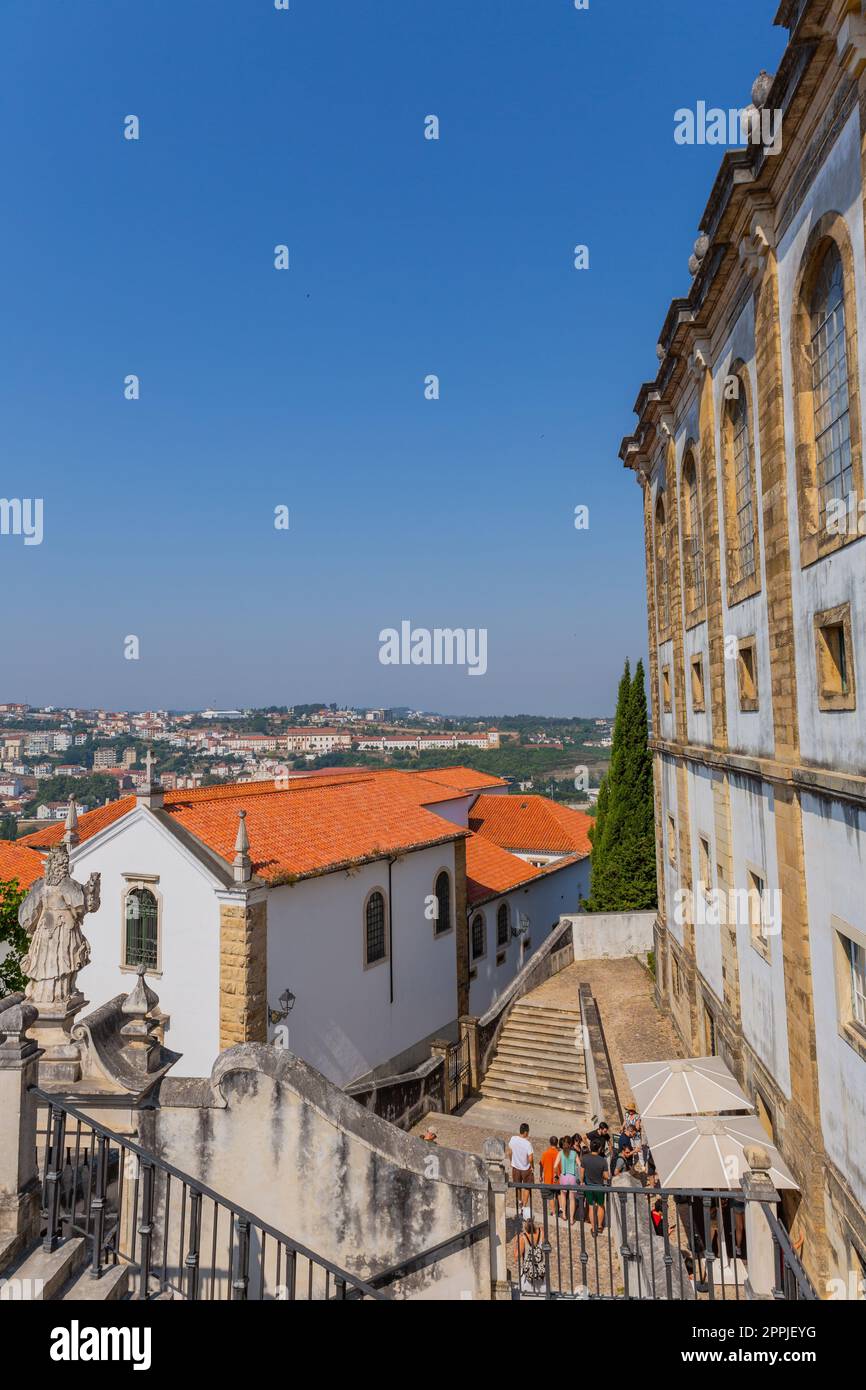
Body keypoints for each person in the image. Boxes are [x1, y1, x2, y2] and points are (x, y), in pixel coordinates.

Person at [580, 1140, 610, 1236]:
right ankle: (600, 1226)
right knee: (601, 1205)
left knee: (591, 1207)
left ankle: (593, 1228)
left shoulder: (585, 1158)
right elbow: (606, 1176)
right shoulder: (602, 1160)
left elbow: (582, 1172)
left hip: (589, 1186)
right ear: (600, 1149)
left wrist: (581, 1182)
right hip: (599, 1187)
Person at [515, 1217, 546, 1296]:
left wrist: (516, 1242)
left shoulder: (523, 1238)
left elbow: (516, 1256)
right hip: (541, 1271)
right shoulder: (542, 1232)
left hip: (528, 1274)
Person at [507, 1123, 534, 1211]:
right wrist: (532, 1166)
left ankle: (519, 1201)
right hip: (526, 1169)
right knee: (527, 1187)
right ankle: (524, 1205)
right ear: (526, 1132)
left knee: (517, 1186)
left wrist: (511, 1161)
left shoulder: (513, 1139)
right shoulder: (528, 1144)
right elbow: (530, 1158)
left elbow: (509, 1152)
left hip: (516, 1167)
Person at [555, 1134, 579, 1225]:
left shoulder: (560, 1153)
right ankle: (572, 1219)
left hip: (563, 1176)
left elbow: (555, 1166)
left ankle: (564, 1215)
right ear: (571, 1144)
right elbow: (580, 1165)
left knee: (563, 1196)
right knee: (572, 1198)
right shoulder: (574, 1153)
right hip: (572, 1176)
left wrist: (557, 1174)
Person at [539, 1136, 560, 1215]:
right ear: (557, 1143)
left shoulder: (545, 1153)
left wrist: (540, 1175)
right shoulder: (559, 1153)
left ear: (550, 1142)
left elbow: (541, 1165)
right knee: (558, 1194)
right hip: (557, 1179)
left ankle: (553, 1212)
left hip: (548, 1178)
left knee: (551, 1197)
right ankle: (560, 1210)